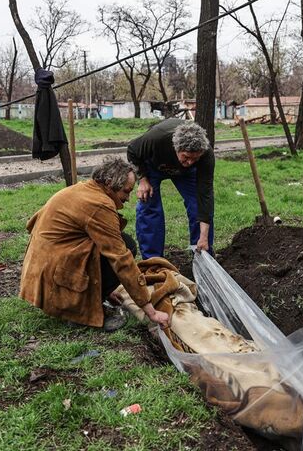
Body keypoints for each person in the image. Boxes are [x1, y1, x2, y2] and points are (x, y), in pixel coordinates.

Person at [19, 156, 170, 330]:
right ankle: (77, 312)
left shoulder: (82, 189)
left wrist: (105, 288)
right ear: (109, 183)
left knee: (116, 242)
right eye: (126, 191)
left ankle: (96, 294)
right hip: (53, 281)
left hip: (36, 275)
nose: (128, 198)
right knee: (126, 245)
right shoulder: (100, 204)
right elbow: (121, 259)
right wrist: (151, 311)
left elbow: (31, 223)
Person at [127, 118, 214, 258]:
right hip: (153, 165)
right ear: (176, 148)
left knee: (197, 204)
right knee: (149, 205)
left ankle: (203, 253)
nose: (190, 162)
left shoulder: (206, 155)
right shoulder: (157, 138)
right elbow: (132, 150)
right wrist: (142, 179)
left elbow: (205, 194)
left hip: (185, 174)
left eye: (195, 158)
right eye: (186, 157)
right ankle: (153, 261)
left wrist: (204, 236)